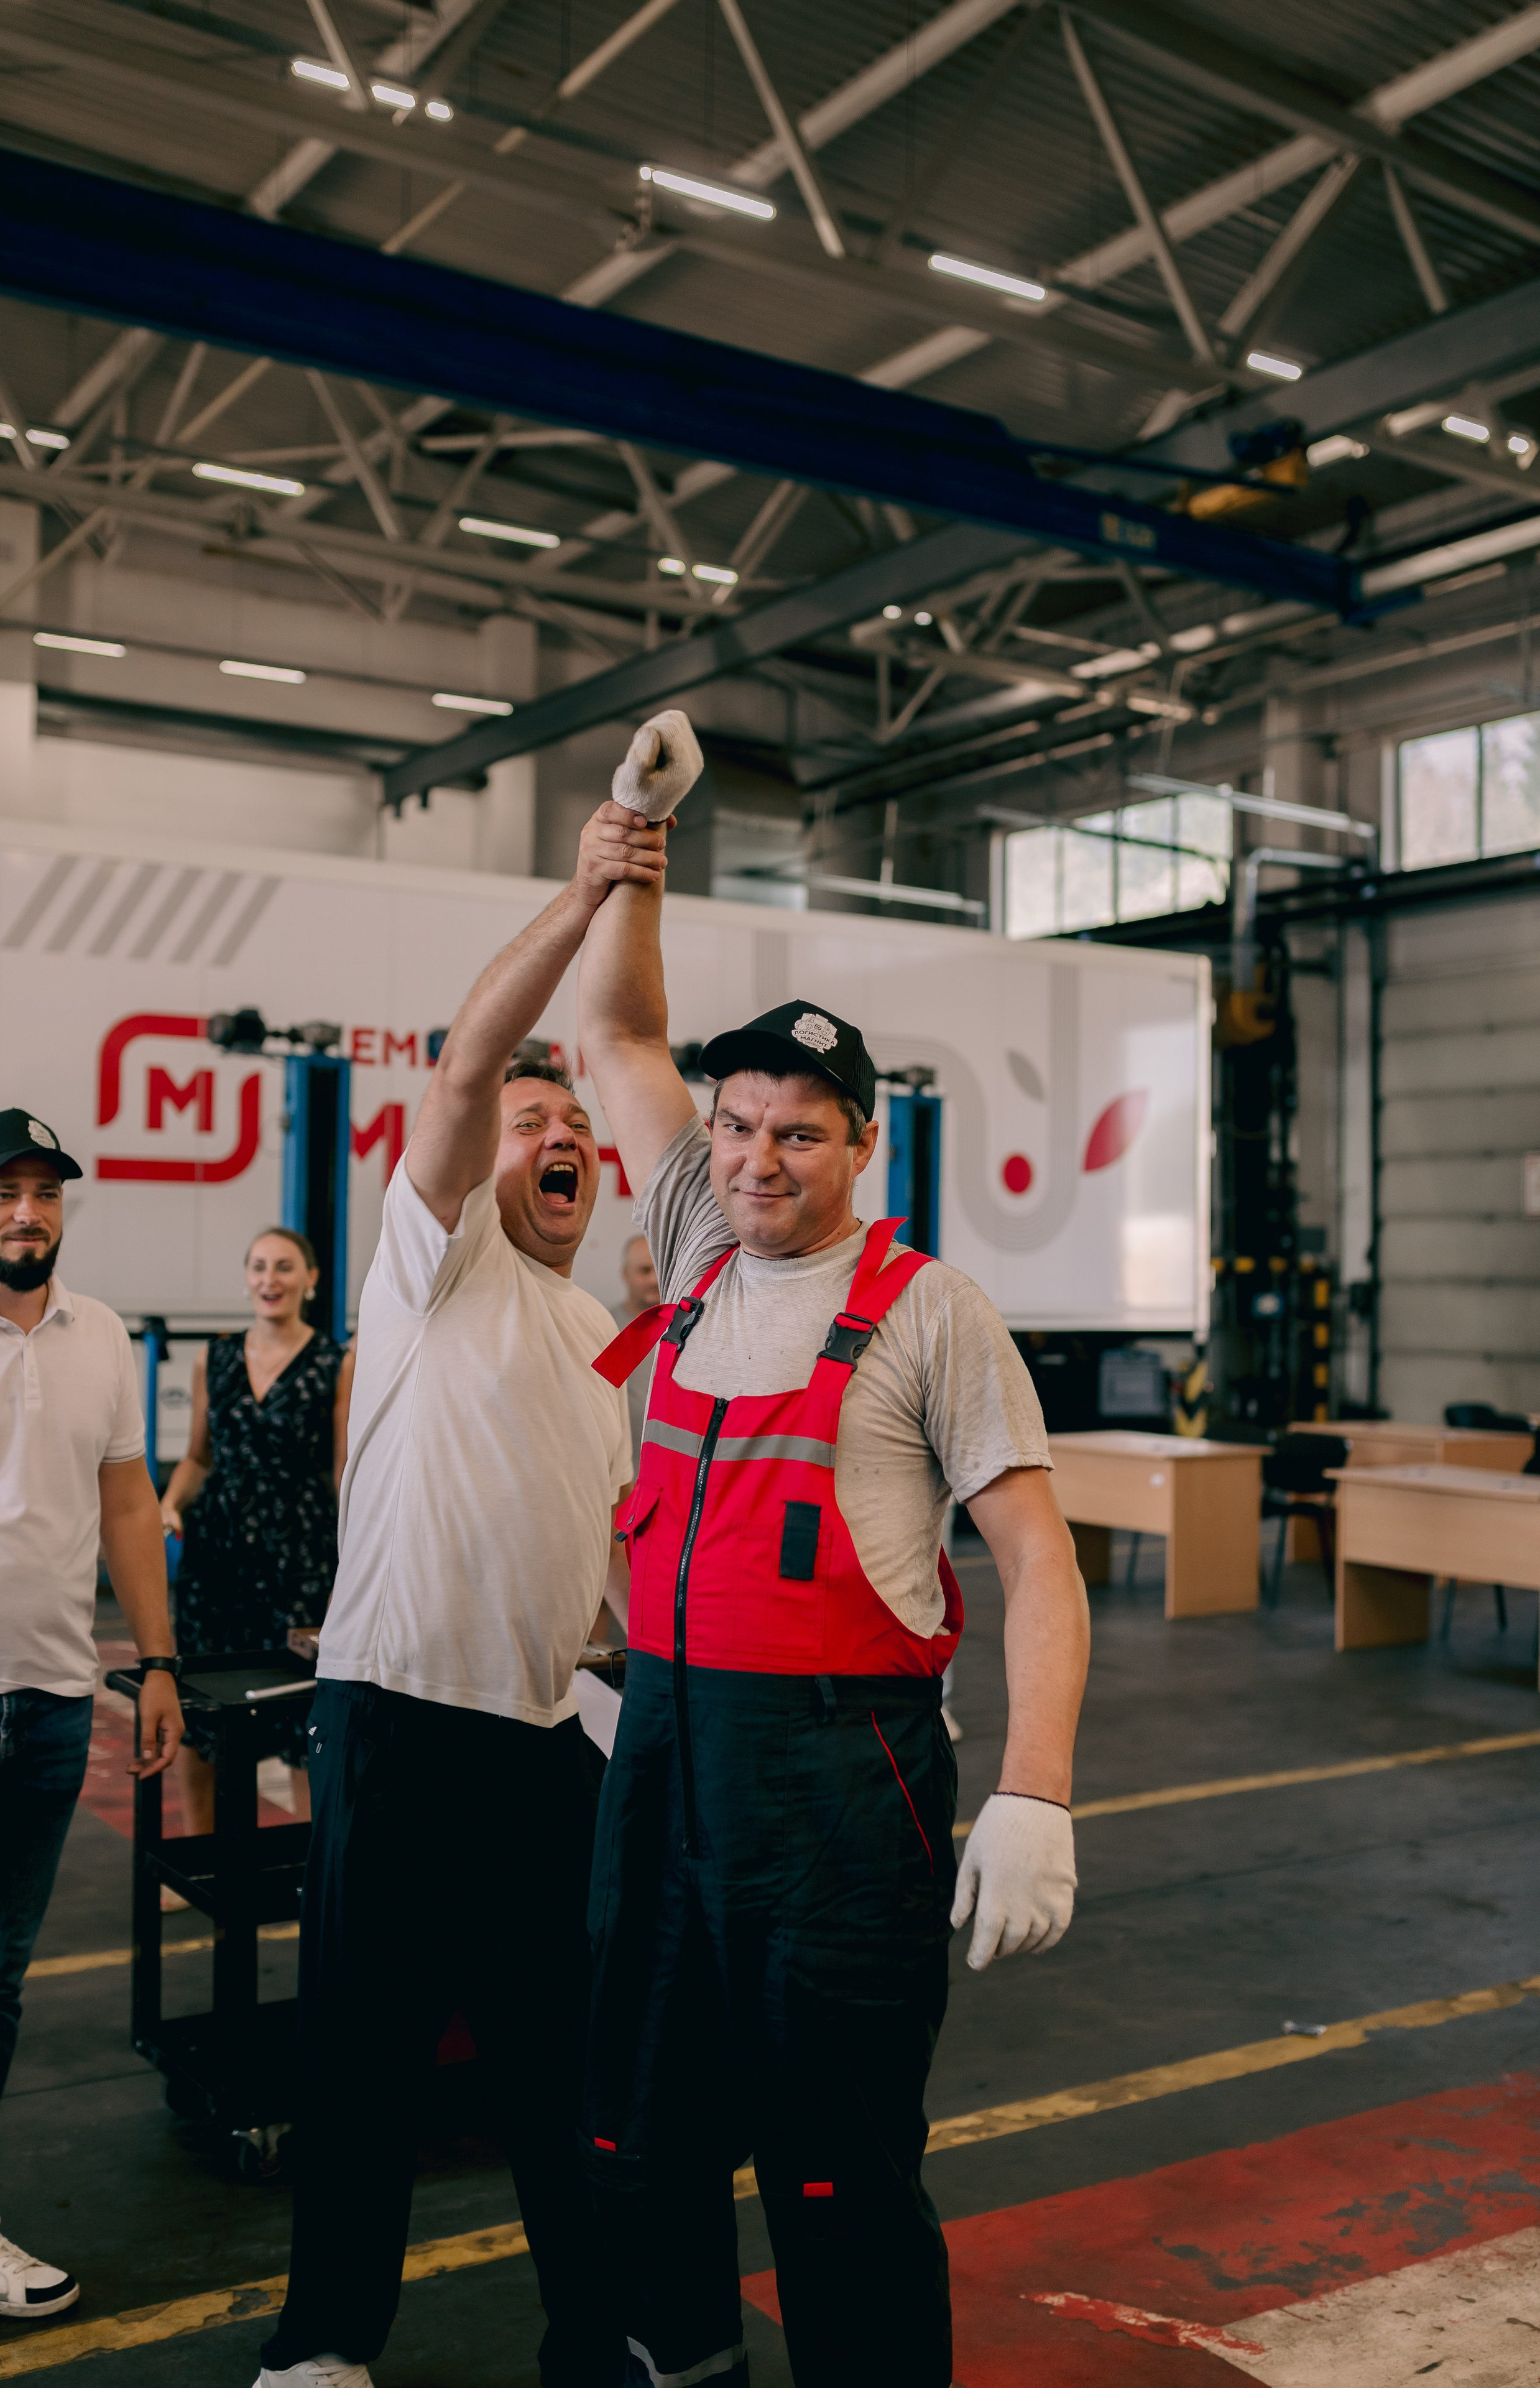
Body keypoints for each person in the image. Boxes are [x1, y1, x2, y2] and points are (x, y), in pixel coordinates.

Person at [575, 759, 1091, 2388]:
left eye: (798, 1133)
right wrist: (635, 855)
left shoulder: (932, 1312)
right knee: (641, 2132)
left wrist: (1039, 1790)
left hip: (839, 1787)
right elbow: (618, 1039)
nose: (753, 1157)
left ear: (863, 1142)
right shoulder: (706, 1241)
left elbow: (1038, 1560)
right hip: (659, 1762)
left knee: (833, 2168)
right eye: (734, 1128)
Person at [253, 784, 678, 2388]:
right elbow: (462, 1068)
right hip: (401, 1715)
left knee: (559, 2067)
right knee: (362, 2057)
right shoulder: (439, 1262)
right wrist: (582, 898)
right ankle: (323, 2343)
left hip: (543, 1734)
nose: (562, 1138)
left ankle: (591, 2335)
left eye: (580, 1132)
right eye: (535, 1122)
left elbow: (599, 1540)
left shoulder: (599, 1338)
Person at [0, 1109, 182, 2322]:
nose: (27, 1213)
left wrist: (155, 1663)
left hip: (43, 1710)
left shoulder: (97, 1339)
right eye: (3, 1192)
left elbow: (129, 1504)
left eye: (45, 1192)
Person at [160, 1229, 353, 1829]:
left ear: (311, 1279)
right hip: (216, 1560)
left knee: (305, 1717)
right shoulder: (211, 1359)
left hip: (301, 1559)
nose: (271, 1279)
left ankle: (304, 1872)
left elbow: (343, 1469)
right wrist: (169, 1505)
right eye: (260, 1266)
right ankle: (203, 1854)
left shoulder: (336, 1362)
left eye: (285, 1267)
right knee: (204, 1717)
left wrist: (360, 1554)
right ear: (247, 1277)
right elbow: (198, 1458)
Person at [615, 1232, 662, 1455]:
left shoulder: (690, 1329)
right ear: (625, 1274)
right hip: (622, 1480)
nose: (654, 1280)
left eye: (659, 1269)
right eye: (644, 1271)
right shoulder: (606, 1328)